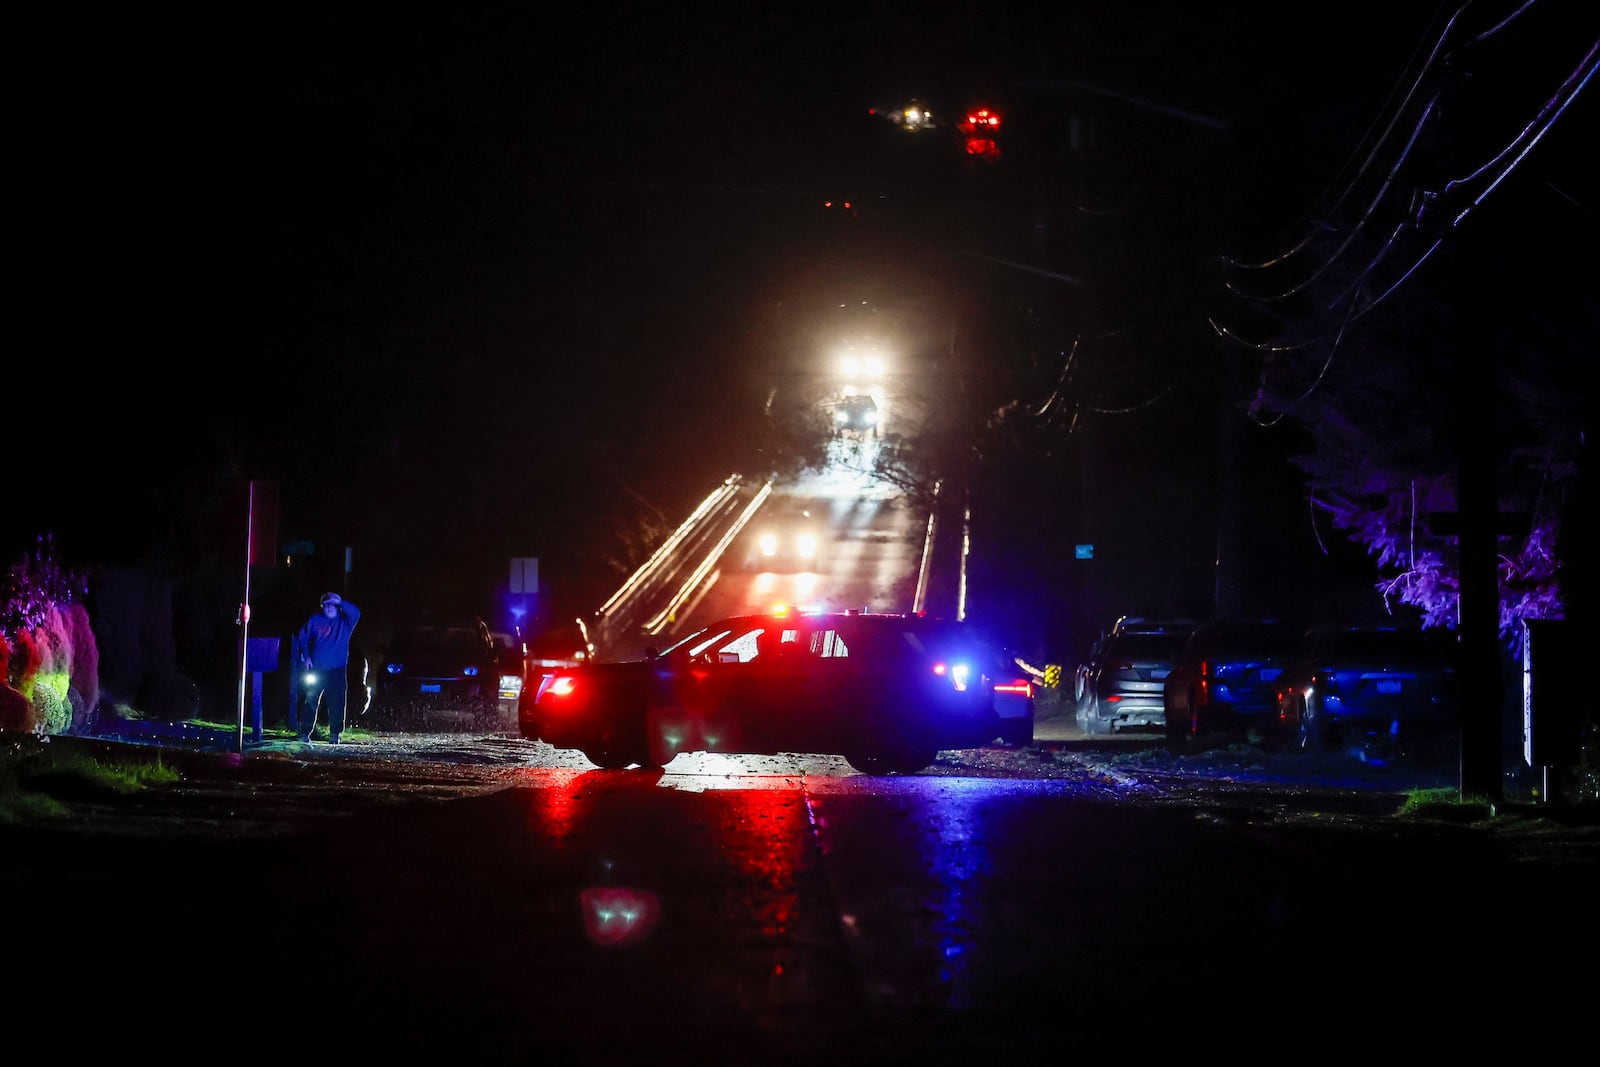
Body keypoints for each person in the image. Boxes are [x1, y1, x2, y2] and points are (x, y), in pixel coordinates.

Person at [291, 592, 361, 744]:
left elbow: (356, 612)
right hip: (317, 668)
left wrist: (341, 601)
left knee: (337, 702)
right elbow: (303, 636)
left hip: (337, 669)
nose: (329, 608)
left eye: (332, 605)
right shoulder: (315, 620)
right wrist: (307, 656)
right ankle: (304, 732)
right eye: (326, 605)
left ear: (337, 607)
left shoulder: (345, 623)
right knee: (311, 700)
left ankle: (335, 734)